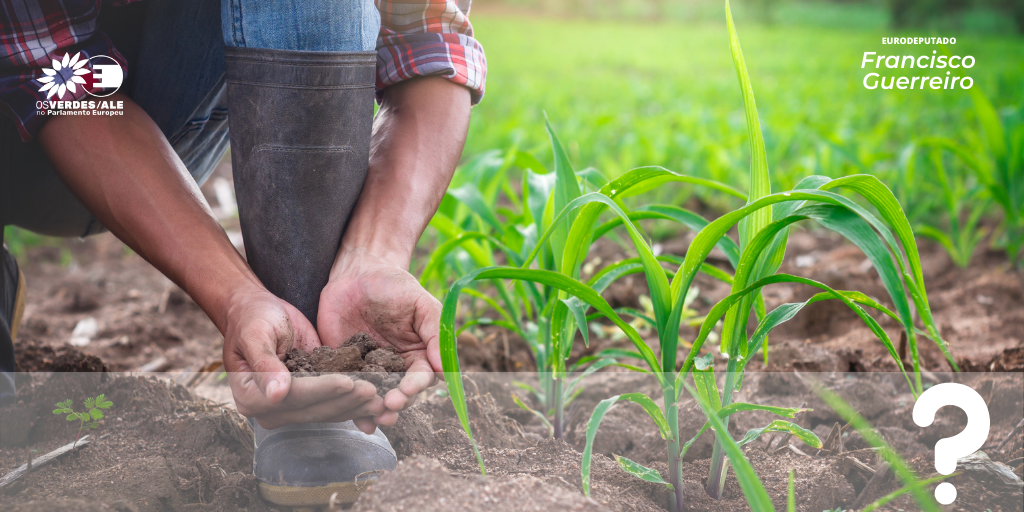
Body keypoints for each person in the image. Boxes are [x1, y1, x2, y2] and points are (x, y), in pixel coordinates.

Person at [0, 0, 485, 507]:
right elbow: (50, 75)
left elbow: (428, 43)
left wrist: (374, 255)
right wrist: (232, 297)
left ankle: (302, 365)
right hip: (38, 127)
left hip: (154, 114)